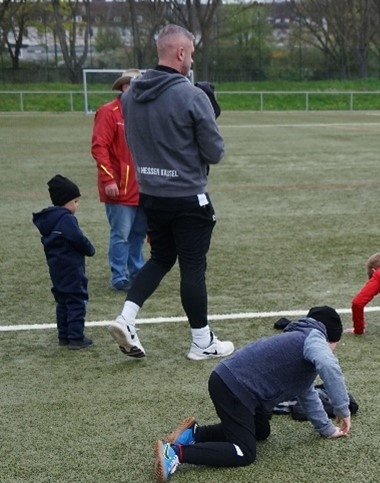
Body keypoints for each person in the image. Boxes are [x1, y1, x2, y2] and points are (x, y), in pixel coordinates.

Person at [108, 24, 233, 360]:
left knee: (161, 258)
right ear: (180, 53)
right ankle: (201, 342)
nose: (191, 60)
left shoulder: (129, 96)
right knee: (192, 267)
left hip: (151, 195)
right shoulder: (191, 95)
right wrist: (209, 112)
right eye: (191, 53)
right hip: (188, 196)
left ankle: (126, 318)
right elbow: (215, 152)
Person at [153, 306, 351, 482]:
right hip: (234, 389)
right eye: (335, 345)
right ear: (330, 337)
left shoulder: (299, 341)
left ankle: (195, 434)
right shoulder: (314, 338)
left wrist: (327, 429)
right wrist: (342, 408)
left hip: (232, 383)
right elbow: (328, 365)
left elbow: (307, 394)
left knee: (261, 431)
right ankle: (176, 452)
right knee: (244, 453)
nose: (334, 350)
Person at [91, 68, 147, 292]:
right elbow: (99, 147)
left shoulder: (143, 112)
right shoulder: (108, 112)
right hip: (119, 187)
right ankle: (119, 276)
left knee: (138, 234)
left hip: (143, 186)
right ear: (125, 87)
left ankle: (137, 271)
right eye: (135, 85)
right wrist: (108, 180)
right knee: (121, 234)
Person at [32, 175, 96, 349]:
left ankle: (64, 335)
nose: (77, 205)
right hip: (71, 268)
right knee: (76, 300)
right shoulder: (66, 219)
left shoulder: (49, 219)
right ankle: (76, 337)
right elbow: (77, 238)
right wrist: (90, 249)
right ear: (66, 202)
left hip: (56, 268)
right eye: (75, 201)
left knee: (62, 301)